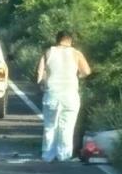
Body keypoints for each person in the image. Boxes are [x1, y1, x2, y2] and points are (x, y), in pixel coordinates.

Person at [36, 30, 91, 162]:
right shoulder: (76, 53)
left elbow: (40, 72)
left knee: (50, 126)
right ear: (70, 40)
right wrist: (77, 76)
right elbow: (87, 71)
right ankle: (64, 155)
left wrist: (42, 83)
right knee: (67, 127)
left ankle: (48, 155)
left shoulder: (48, 52)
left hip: (52, 93)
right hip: (70, 94)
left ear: (57, 40)